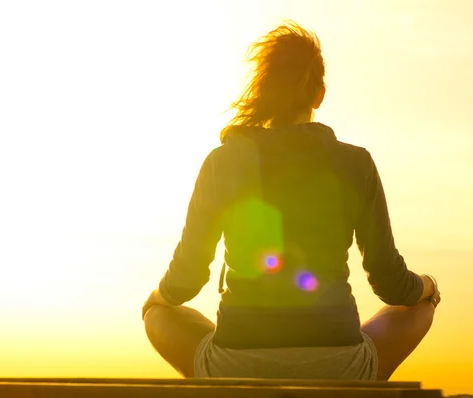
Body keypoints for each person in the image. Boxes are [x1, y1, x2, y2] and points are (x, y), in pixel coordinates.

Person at [142, 21, 441, 382]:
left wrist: (157, 296)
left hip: (235, 366)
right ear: (319, 95)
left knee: (157, 311)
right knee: (420, 305)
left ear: (263, 90)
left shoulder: (221, 162)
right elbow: (392, 284)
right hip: (340, 367)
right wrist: (427, 284)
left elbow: (184, 283)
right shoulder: (355, 163)